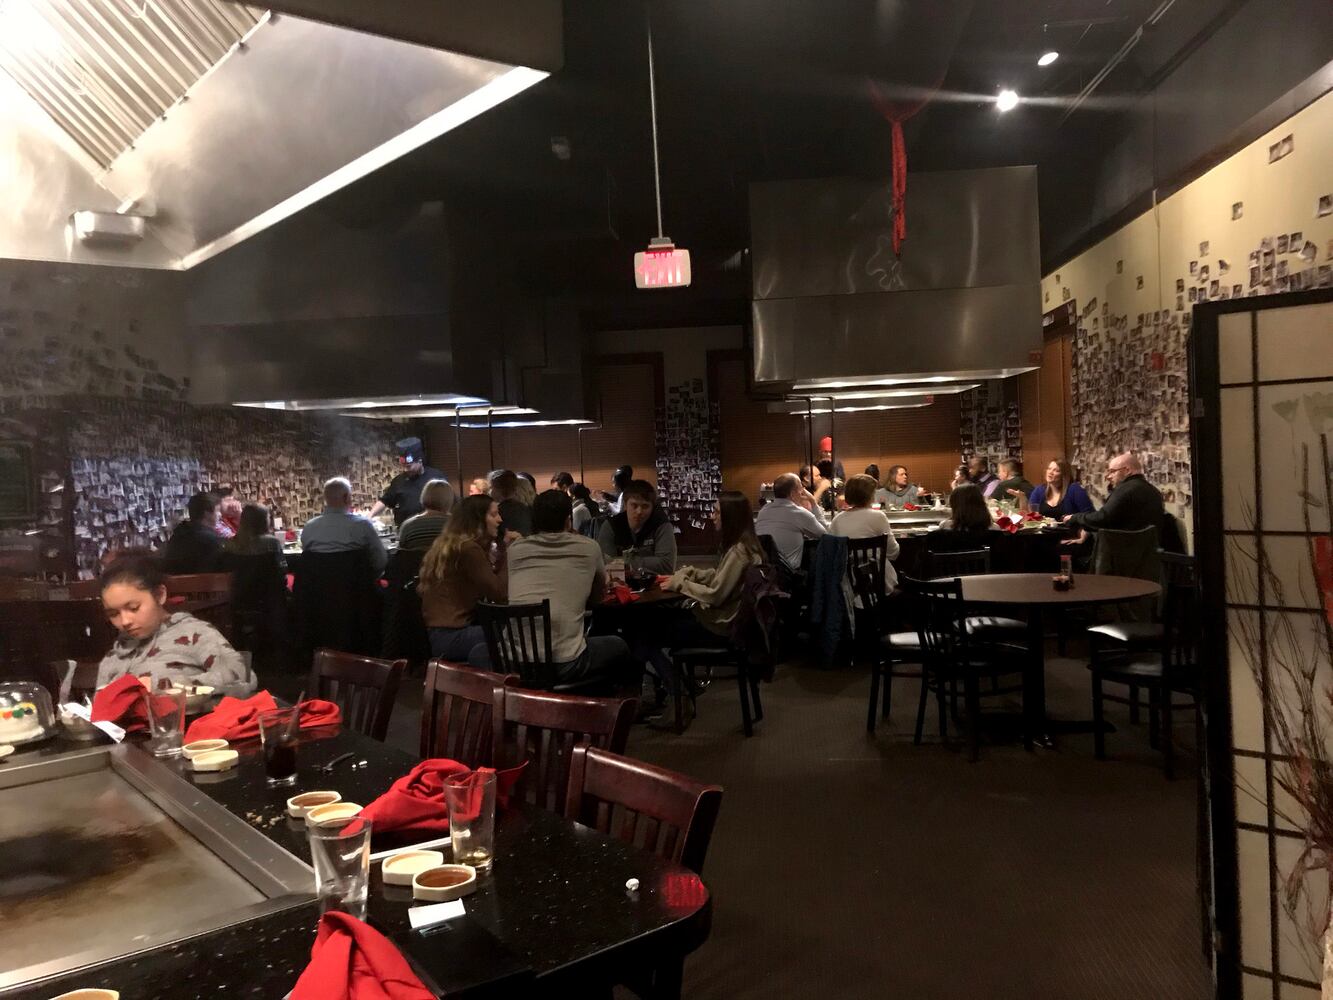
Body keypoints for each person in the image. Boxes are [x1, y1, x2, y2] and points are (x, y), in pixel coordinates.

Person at [502, 490, 634, 685]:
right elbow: (598, 597)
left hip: (514, 663)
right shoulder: (589, 547)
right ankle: (607, 701)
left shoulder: (515, 549)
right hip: (565, 664)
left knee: (479, 651)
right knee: (618, 645)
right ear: (567, 520)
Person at [96, 552, 254, 694]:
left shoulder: (193, 634)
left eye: (133, 608)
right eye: (113, 614)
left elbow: (242, 675)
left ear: (160, 595)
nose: (125, 621)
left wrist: (167, 687)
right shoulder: (113, 657)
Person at [417, 494, 511, 661]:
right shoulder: (468, 549)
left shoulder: (450, 544)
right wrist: (509, 551)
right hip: (452, 636)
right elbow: (499, 593)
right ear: (477, 520)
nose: (500, 519)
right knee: (514, 632)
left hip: (437, 636)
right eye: (493, 514)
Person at [662, 491, 764, 636]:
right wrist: (693, 573)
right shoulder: (745, 545)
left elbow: (714, 595)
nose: (712, 516)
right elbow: (721, 577)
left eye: (717, 512)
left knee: (661, 623)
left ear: (730, 517)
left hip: (721, 624)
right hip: (728, 618)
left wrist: (680, 584)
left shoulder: (739, 552)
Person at [1062, 452, 1164, 542]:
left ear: (1127, 470)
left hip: (1125, 552)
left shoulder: (1125, 489)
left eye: (1112, 471)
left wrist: (1075, 518)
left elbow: (1102, 519)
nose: (1108, 476)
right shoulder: (1153, 490)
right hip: (1148, 552)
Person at [300, 477, 387, 576]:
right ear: (346, 497)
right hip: (357, 584)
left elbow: (307, 562)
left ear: (325, 498)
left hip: (318, 585)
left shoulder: (309, 527)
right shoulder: (363, 525)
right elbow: (380, 561)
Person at [830, 474, 900, 589]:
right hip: (879, 582)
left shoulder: (837, 520)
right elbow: (893, 553)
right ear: (869, 495)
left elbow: (833, 555)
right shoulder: (878, 516)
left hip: (849, 585)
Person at [596, 479, 678, 573]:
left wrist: (624, 562)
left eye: (645, 506)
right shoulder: (611, 525)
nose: (639, 511)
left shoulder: (661, 524)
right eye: (634, 505)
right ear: (625, 505)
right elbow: (604, 565)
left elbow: (667, 565)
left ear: (652, 508)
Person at [755, 472, 827, 572]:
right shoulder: (799, 513)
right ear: (793, 494)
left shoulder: (763, 511)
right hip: (789, 575)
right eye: (801, 490)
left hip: (765, 573)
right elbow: (824, 535)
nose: (802, 493)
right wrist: (813, 502)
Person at [368, 437, 447, 527]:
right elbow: (384, 501)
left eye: (409, 466)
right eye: (404, 466)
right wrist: (369, 516)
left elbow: (449, 501)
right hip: (405, 529)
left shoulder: (436, 477)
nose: (405, 470)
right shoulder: (398, 481)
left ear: (419, 460)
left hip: (431, 527)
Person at [160, 492, 224, 574]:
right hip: (201, 581)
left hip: (174, 581)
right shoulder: (211, 540)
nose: (220, 515)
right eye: (218, 511)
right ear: (207, 513)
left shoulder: (178, 534)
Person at [223, 502, 286, 572]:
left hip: (240, 579)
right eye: (268, 517)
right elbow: (281, 570)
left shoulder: (230, 543)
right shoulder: (272, 542)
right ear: (263, 520)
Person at [395, 479, 455, 552]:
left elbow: (401, 554)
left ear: (424, 496)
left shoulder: (408, 526)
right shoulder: (456, 525)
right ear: (449, 499)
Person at [1027, 459, 1094, 518]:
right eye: (1049, 469)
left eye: (1056, 470)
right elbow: (1031, 514)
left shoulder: (1075, 489)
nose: (1050, 472)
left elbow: (1090, 516)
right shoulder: (1039, 490)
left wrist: (1074, 519)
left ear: (1064, 475)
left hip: (1069, 528)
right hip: (1043, 528)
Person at [490, 470, 533, 537]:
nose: (490, 491)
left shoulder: (497, 512)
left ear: (498, 489)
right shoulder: (526, 508)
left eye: (491, 487)